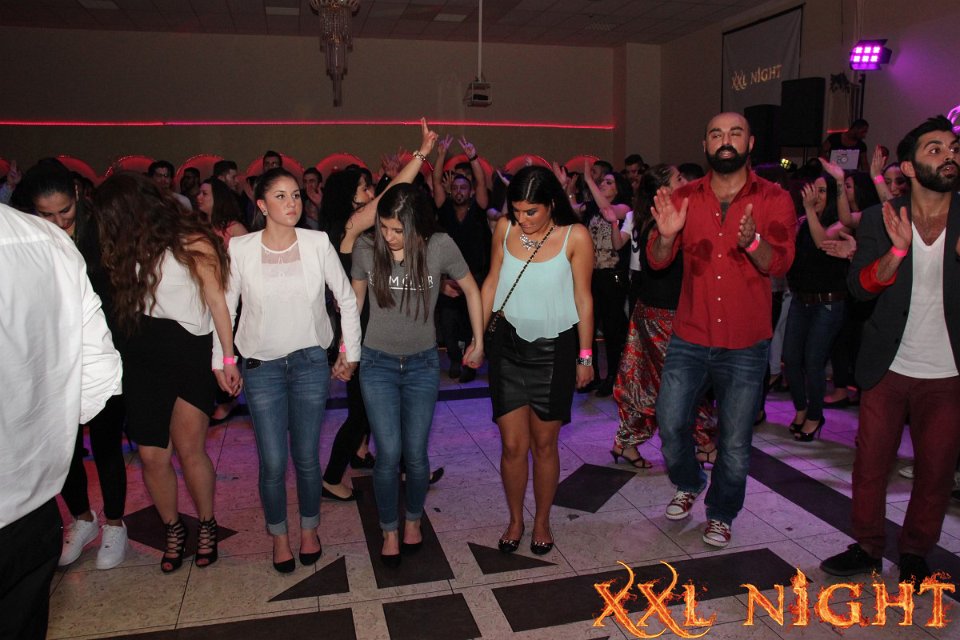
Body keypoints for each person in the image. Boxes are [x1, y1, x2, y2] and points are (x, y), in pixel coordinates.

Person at [820, 116, 960, 588]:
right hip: (888, 365)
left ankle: (916, 552)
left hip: (948, 372)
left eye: (953, 148)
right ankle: (867, 547)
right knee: (870, 466)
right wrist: (897, 253)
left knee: (936, 471)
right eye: (935, 149)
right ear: (911, 167)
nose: (949, 155)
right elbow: (860, 288)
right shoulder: (883, 217)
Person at [648, 112, 796, 548]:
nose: (725, 140)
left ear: (750, 143)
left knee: (734, 440)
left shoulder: (774, 198)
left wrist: (753, 243)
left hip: (745, 341)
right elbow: (657, 259)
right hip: (690, 334)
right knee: (669, 422)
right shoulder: (685, 196)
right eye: (716, 133)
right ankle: (689, 480)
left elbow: (781, 262)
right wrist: (666, 236)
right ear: (705, 144)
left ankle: (722, 512)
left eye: (735, 133)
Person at [214, 167, 361, 573]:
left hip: (310, 362)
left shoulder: (317, 242)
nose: (292, 203)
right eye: (280, 196)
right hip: (260, 367)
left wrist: (348, 351)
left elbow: (346, 299)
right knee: (274, 461)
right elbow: (225, 308)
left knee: (307, 457)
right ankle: (279, 536)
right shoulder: (241, 247)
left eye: (295, 195)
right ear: (262, 205)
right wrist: (223, 359)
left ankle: (309, 530)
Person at [94, 172, 241, 573]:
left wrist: (227, 359)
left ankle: (206, 524)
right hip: (141, 356)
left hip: (188, 353)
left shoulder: (192, 240)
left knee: (190, 449)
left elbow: (218, 302)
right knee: (151, 456)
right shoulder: (125, 247)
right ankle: (173, 528)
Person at [0, 202, 122, 639]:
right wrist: (52, 425)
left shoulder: (49, 239)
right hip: (33, 501)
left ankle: (109, 524)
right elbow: (99, 369)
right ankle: (84, 518)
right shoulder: (45, 240)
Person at [351, 183, 484, 567]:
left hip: (423, 364)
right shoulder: (366, 247)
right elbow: (353, 303)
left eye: (398, 230)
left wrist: (478, 341)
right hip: (377, 363)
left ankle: (412, 520)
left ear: (418, 226)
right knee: (388, 451)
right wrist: (345, 349)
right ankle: (389, 529)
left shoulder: (439, 245)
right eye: (384, 227)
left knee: (415, 451)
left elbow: (471, 289)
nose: (389, 237)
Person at [482, 166, 594, 556]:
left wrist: (585, 356)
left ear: (551, 204)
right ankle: (515, 519)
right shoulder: (504, 229)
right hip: (507, 348)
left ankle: (542, 521)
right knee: (513, 445)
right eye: (517, 211)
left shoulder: (575, 236)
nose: (523, 219)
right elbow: (492, 282)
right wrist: (478, 338)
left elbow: (583, 298)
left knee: (544, 445)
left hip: (555, 350)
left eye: (531, 211)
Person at [25, 165, 130, 570]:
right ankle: (83, 519)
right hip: (52, 355)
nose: (57, 222)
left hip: (102, 347)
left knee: (106, 443)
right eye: (46, 214)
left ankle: (116, 524)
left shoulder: (102, 228)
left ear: (77, 195)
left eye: (65, 212)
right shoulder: (26, 238)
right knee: (64, 447)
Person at [612, 164, 716, 469]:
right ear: (664, 191)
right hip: (664, 318)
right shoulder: (659, 225)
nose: (686, 181)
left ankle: (625, 442)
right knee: (683, 383)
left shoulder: (663, 219)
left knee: (646, 382)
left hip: (656, 313)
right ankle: (705, 443)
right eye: (679, 179)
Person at [782, 172, 850, 441]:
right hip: (801, 300)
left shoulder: (840, 223)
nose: (816, 196)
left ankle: (814, 415)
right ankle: (801, 409)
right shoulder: (802, 222)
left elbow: (823, 242)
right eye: (814, 190)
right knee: (791, 358)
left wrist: (809, 211)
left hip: (828, 303)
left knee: (813, 361)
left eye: (822, 191)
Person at [433, 135, 490, 381]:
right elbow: (436, 180)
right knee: (447, 322)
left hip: (474, 277)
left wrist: (473, 157)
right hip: (449, 279)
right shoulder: (444, 208)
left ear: (470, 191)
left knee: (470, 321)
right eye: (455, 188)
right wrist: (440, 156)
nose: (459, 191)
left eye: (463, 188)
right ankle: (455, 359)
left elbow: (481, 181)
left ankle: (470, 364)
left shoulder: (479, 208)